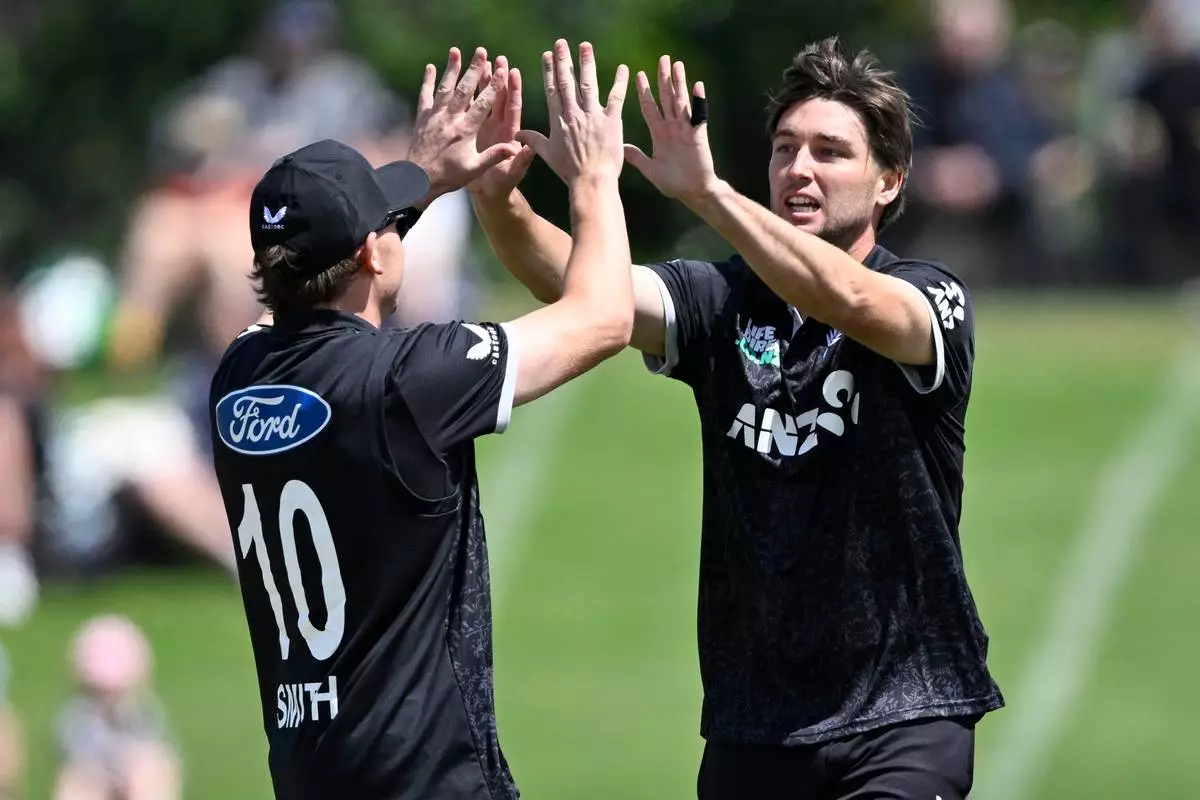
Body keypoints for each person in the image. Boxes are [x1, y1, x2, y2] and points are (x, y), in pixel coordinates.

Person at [469, 36, 1003, 798]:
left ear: (889, 180)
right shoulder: (722, 300)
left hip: (906, 713)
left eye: (830, 152)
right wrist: (498, 198)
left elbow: (849, 299)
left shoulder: (929, 298)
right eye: (786, 148)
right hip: (755, 723)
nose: (800, 168)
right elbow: (581, 288)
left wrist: (707, 195)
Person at [209, 40, 632, 799]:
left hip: (311, 777)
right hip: (426, 779)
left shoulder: (236, 378)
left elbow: (317, 283)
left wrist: (422, 174)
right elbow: (603, 318)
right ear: (375, 253)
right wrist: (596, 179)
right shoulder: (408, 381)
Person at [53, 615, 181, 800]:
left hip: (135, 771)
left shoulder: (144, 711)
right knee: (77, 783)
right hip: (93, 771)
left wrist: (131, 771)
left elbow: (152, 742)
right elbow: (76, 750)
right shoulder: (76, 715)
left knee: (154, 768)